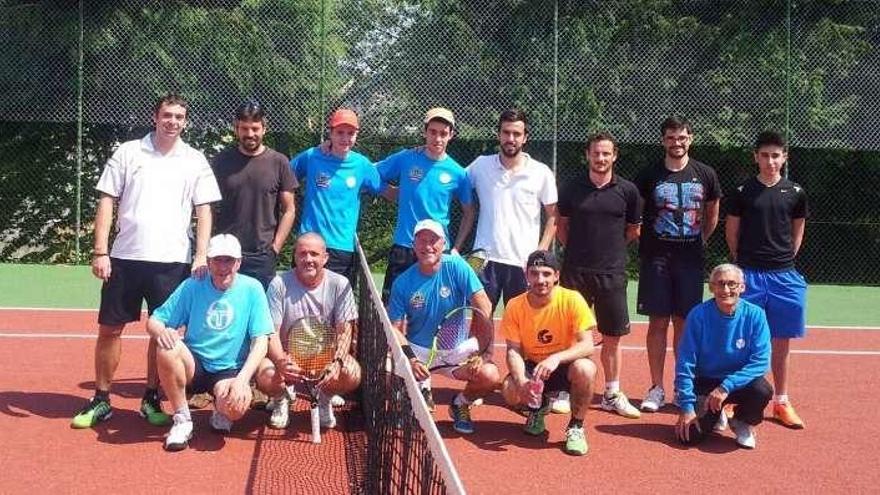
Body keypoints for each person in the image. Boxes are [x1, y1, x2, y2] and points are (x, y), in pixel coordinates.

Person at [71, 93, 221, 430]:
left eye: (179, 117)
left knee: (162, 335)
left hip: (172, 263)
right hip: (124, 259)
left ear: (185, 121)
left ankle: (151, 398)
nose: (173, 122)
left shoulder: (195, 160)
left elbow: (204, 210)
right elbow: (107, 201)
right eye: (167, 115)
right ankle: (101, 399)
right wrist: (100, 251)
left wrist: (200, 255)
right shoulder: (128, 152)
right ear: (155, 117)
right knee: (110, 329)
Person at [148, 234, 273, 451]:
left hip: (229, 370)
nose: (223, 266)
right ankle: (182, 419)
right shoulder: (192, 285)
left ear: (239, 263)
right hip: (195, 364)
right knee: (166, 347)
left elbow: (261, 340)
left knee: (235, 408)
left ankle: (221, 407)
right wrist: (162, 332)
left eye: (229, 260)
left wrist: (242, 380)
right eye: (218, 260)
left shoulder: (253, 289)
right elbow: (154, 321)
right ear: (208, 262)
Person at [635, 115, 722, 412]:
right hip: (656, 258)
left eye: (682, 137)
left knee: (684, 324)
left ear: (691, 139)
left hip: (690, 259)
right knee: (657, 322)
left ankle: (681, 386)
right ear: (663, 141)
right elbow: (637, 216)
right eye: (671, 138)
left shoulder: (706, 173)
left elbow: (712, 214)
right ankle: (656, 387)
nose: (677, 143)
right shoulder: (649, 174)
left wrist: (699, 240)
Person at [725, 130, 808, 429]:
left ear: (784, 157)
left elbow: (798, 231)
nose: (770, 161)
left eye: (776, 155)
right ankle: (737, 401)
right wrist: (741, 265)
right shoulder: (742, 191)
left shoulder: (795, 193)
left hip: (784, 275)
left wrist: (785, 260)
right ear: (755, 157)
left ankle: (781, 401)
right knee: (742, 341)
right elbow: (732, 231)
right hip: (749, 274)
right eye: (765, 155)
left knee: (781, 342)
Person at [558, 131, 642, 419]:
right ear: (588, 155)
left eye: (606, 153)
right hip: (575, 272)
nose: (601, 158)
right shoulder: (571, 187)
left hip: (612, 274)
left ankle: (611, 392)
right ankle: (565, 390)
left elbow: (633, 231)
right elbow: (561, 226)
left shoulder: (628, 191)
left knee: (612, 336)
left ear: (614, 156)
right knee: (572, 334)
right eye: (596, 153)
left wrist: (609, 252)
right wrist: (580, 253)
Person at [388, 219, 500, 435]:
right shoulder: (402, 283)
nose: (427, 246)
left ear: (444, 243)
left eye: (433, 240)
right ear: (414, 245)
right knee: (385, 369)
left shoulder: (457, 267)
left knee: (490, 375)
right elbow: (395, 328)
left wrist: (480, 351)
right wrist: (410, 359)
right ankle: (419, 390)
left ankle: (460, 404)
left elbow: (484, 307)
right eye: (421, 241)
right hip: (419, 351)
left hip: (455, 352)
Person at [255, 232, 361, 430]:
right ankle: (280, 398)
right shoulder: (279, 284)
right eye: (302, 254)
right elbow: (271, 333)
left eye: (314, 254)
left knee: (352, 371)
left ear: (325, 258)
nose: (308, 259)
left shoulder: (340, 284)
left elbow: (344, 331)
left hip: (325, 357)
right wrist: (281, 361)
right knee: (263, 372)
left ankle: (324, 398)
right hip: (288, 356)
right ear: (294, 257)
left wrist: (337, 361)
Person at [500, 250, 599, 456]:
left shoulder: (572, 299)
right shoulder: (514, 305)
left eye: (546, 273)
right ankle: (537, 409)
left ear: (556, 276)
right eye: (534, 273)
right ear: (526, 275)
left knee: (586, 369)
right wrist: (521, 382)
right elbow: (513, 351)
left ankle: (576, 427)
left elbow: (587, 345)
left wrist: (556, 358)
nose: (540, 280)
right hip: (534, 367)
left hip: (565, 366)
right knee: (510, 389)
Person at [378, 108, 475, 302]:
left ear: (451, 135)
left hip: (437, 250)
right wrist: (390, 191)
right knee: (390, 310)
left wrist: (456, 248)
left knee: (435, 309)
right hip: (404, 247)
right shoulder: (406, 158)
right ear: (425, 132)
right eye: (433, 132)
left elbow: (469, 212)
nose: (437, 138)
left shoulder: (458, 173)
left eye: (443, 133)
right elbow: (369, 173)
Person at [466, 108, 558, 311]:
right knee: (479, 321)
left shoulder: (541, 172)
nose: (511, 138)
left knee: (523, 326)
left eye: (516, 134)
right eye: (506, 132)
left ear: (525, 137)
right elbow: (450, 183)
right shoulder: (480, 165)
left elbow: (554, 216)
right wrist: (427, 153)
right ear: (498, 134)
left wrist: (539, 251)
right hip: (481, 258)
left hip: (523, 261)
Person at [674, 263, 772, 449]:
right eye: (720, 284)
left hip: (738, 383)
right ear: (711, 288)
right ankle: (716, 414)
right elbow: (685, 362)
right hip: (705, 382)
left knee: (762, 390)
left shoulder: (756, 315)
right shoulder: (698, 315)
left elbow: (760, 362)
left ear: (742, 287)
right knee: (689, 438)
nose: (726, 289)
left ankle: (742, 421)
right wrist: (686, 407)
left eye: (732, 284)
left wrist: (726, 387)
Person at [212, 99, 297, 289]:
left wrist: (275, 248)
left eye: (255, 129)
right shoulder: (221, 161)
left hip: (262, 256)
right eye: (244, 129)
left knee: (259, 314)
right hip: (225, 253)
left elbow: (289, 210)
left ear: (264, 129)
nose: (250, 134)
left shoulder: (279, 162)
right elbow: (207, 207)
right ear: (236, 128)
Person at [290, 108, 381, 279]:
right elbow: (285, 175)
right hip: (309, 244)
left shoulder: (362, 165)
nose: (345, 138)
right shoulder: (312, 156)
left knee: (338, 305)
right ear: (330, 133)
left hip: (342, 248)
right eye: (340, 132)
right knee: (299, 301)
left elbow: (382, 187)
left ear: (356, 135)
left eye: (350, 133)